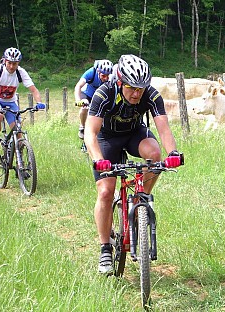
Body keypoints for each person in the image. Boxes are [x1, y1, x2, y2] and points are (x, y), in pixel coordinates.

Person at [84, 54, 183, 274]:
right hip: (107, 139)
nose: (137, 93)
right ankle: (105, 248)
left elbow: (163, 128)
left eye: (141, 88)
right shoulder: (104, 93)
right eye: (132, 88)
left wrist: (173, 153)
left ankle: (141, 198)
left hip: (134, 134)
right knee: (105, 192)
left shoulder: (150, 95)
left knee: (155, 154)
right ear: (120, 82)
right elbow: (90, 133)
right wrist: (98, 160)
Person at [0, 47, 46, 158]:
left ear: (18, 63)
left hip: (11, 102)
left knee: (18, 132)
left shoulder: (20, 72)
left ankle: (20, 164)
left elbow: (34, 90)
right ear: (4, 61)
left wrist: (39, 102)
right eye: (9, 63)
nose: (12, 66)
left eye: (15, 63)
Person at [74, 59, 113, 139]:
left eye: (107, 76)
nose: (106, 78)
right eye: (103, 76)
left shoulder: (111, 77)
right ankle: (83, 127)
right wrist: (78, 100)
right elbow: (78, 86)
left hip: (100, 96)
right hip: (87, 94)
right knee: (85, 107)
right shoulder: (91, 72)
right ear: (98, 71)